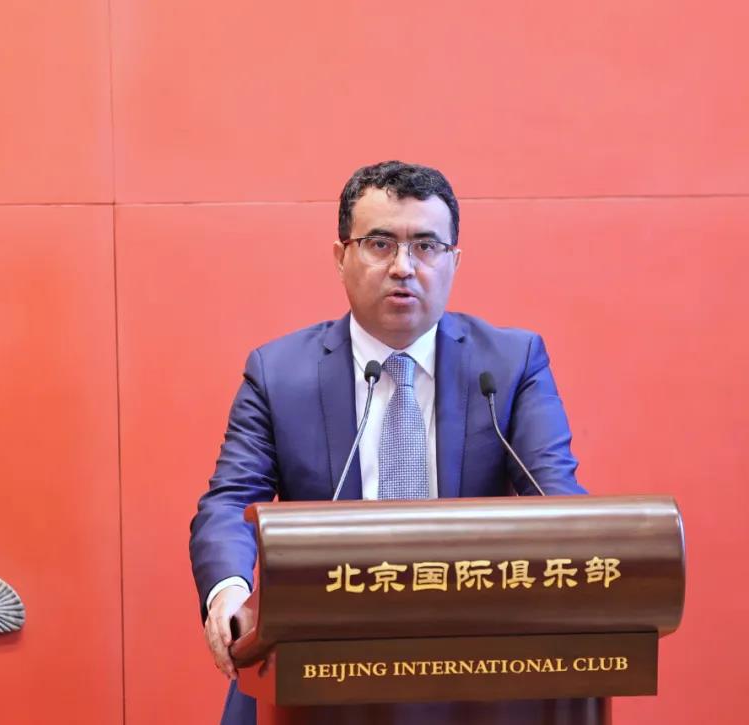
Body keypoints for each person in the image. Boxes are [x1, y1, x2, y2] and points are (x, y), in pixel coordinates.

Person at [189, 160, 585, 724]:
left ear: (454, 261)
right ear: (340, 257)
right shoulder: (278, 373)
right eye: (380, 244)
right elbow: (230, 501)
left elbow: (557, 498)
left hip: (473, 668)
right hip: (315, 662)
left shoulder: (509, 364)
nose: (404, 267)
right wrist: (229, 590)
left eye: (426, 246)